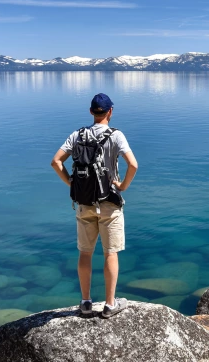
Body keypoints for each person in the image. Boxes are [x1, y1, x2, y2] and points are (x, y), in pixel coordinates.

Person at [51, 93, 138, 318]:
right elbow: (133, 165)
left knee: (85, 253)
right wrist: (123, 186)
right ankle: (110, 305)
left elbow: (56, 161)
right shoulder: (116, 136)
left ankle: (86, 302)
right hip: (109, 203)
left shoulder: (77, 135)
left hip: (84, 203)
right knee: (110, 253)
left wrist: (71, 184)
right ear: (110, 111)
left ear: (91, 112)